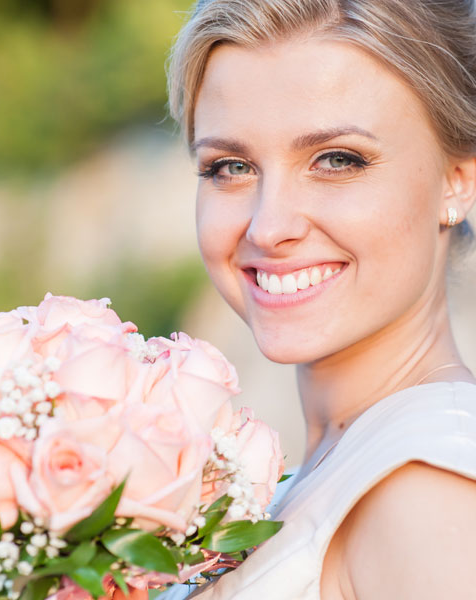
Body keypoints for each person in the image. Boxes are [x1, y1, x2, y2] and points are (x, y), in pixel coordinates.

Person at [159, 0, 476, 598]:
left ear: (456, 179)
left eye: (336, 160)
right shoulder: (323, 473)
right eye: (230, 167)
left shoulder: (429, 499)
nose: (267, 226)